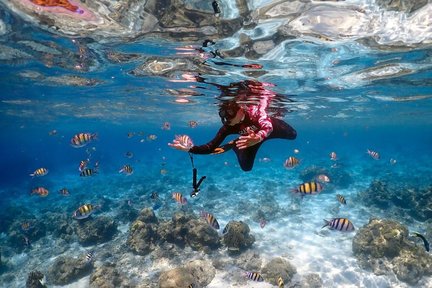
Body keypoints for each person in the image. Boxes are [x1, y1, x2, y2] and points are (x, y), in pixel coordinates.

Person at [168, 80, 297, 171]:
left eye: (230, 114)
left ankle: (239, 142)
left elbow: (268, 126)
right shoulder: (228, 126)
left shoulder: (255, 112)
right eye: (223, 115)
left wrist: (258, 137)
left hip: (269, 130)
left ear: (241, 109)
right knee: (246, 167)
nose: (227, 120)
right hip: (248, 141)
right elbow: (210, 147)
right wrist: (190, 149)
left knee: (293, 135)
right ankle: (236, 145)